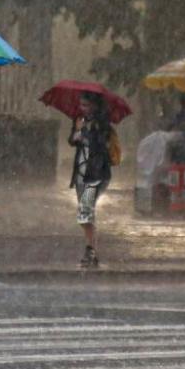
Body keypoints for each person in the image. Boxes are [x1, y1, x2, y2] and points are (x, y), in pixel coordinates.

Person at [68, 91, 113, 268]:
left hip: (96, 174)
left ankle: (90, 250)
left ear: (94, 105)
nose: (83, 109)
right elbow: (71, 141)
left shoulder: (102, 123)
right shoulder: (79, 120)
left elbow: (100, 144)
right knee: (85, 212)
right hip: (81, 173)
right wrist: (77, 132)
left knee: (85, 211)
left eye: (86, 105)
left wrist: (84, 134)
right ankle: (92, 249)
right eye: (81, 105)